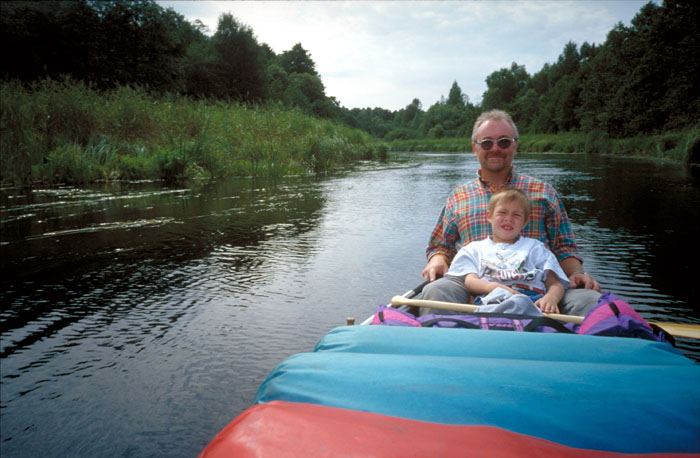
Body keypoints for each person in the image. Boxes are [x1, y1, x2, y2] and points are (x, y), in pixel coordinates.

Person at [421, 109, 600, 316]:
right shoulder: (458, 196)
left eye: (504, 142)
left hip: (537, 286)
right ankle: (443, 345)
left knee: (590, 300)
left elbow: (564, 248)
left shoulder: (544, 192)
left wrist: (576, 273)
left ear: (515, 146)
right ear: (474, 148)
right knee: (435, 291)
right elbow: (440, 245)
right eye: (487, 143)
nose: (495, 149)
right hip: (473, 285)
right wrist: (438, 259)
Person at [447, 189, 568, 315]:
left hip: (532, 301)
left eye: (516, 215)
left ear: (525, 222)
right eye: (502, 212)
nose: (509, 219)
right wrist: (492, 287)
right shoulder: (474, 249)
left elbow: (555, 283)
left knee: (523, 305)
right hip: (491, 299)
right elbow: (470, 281)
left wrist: (551, 298)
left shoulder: (536, 248)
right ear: (489, 216)